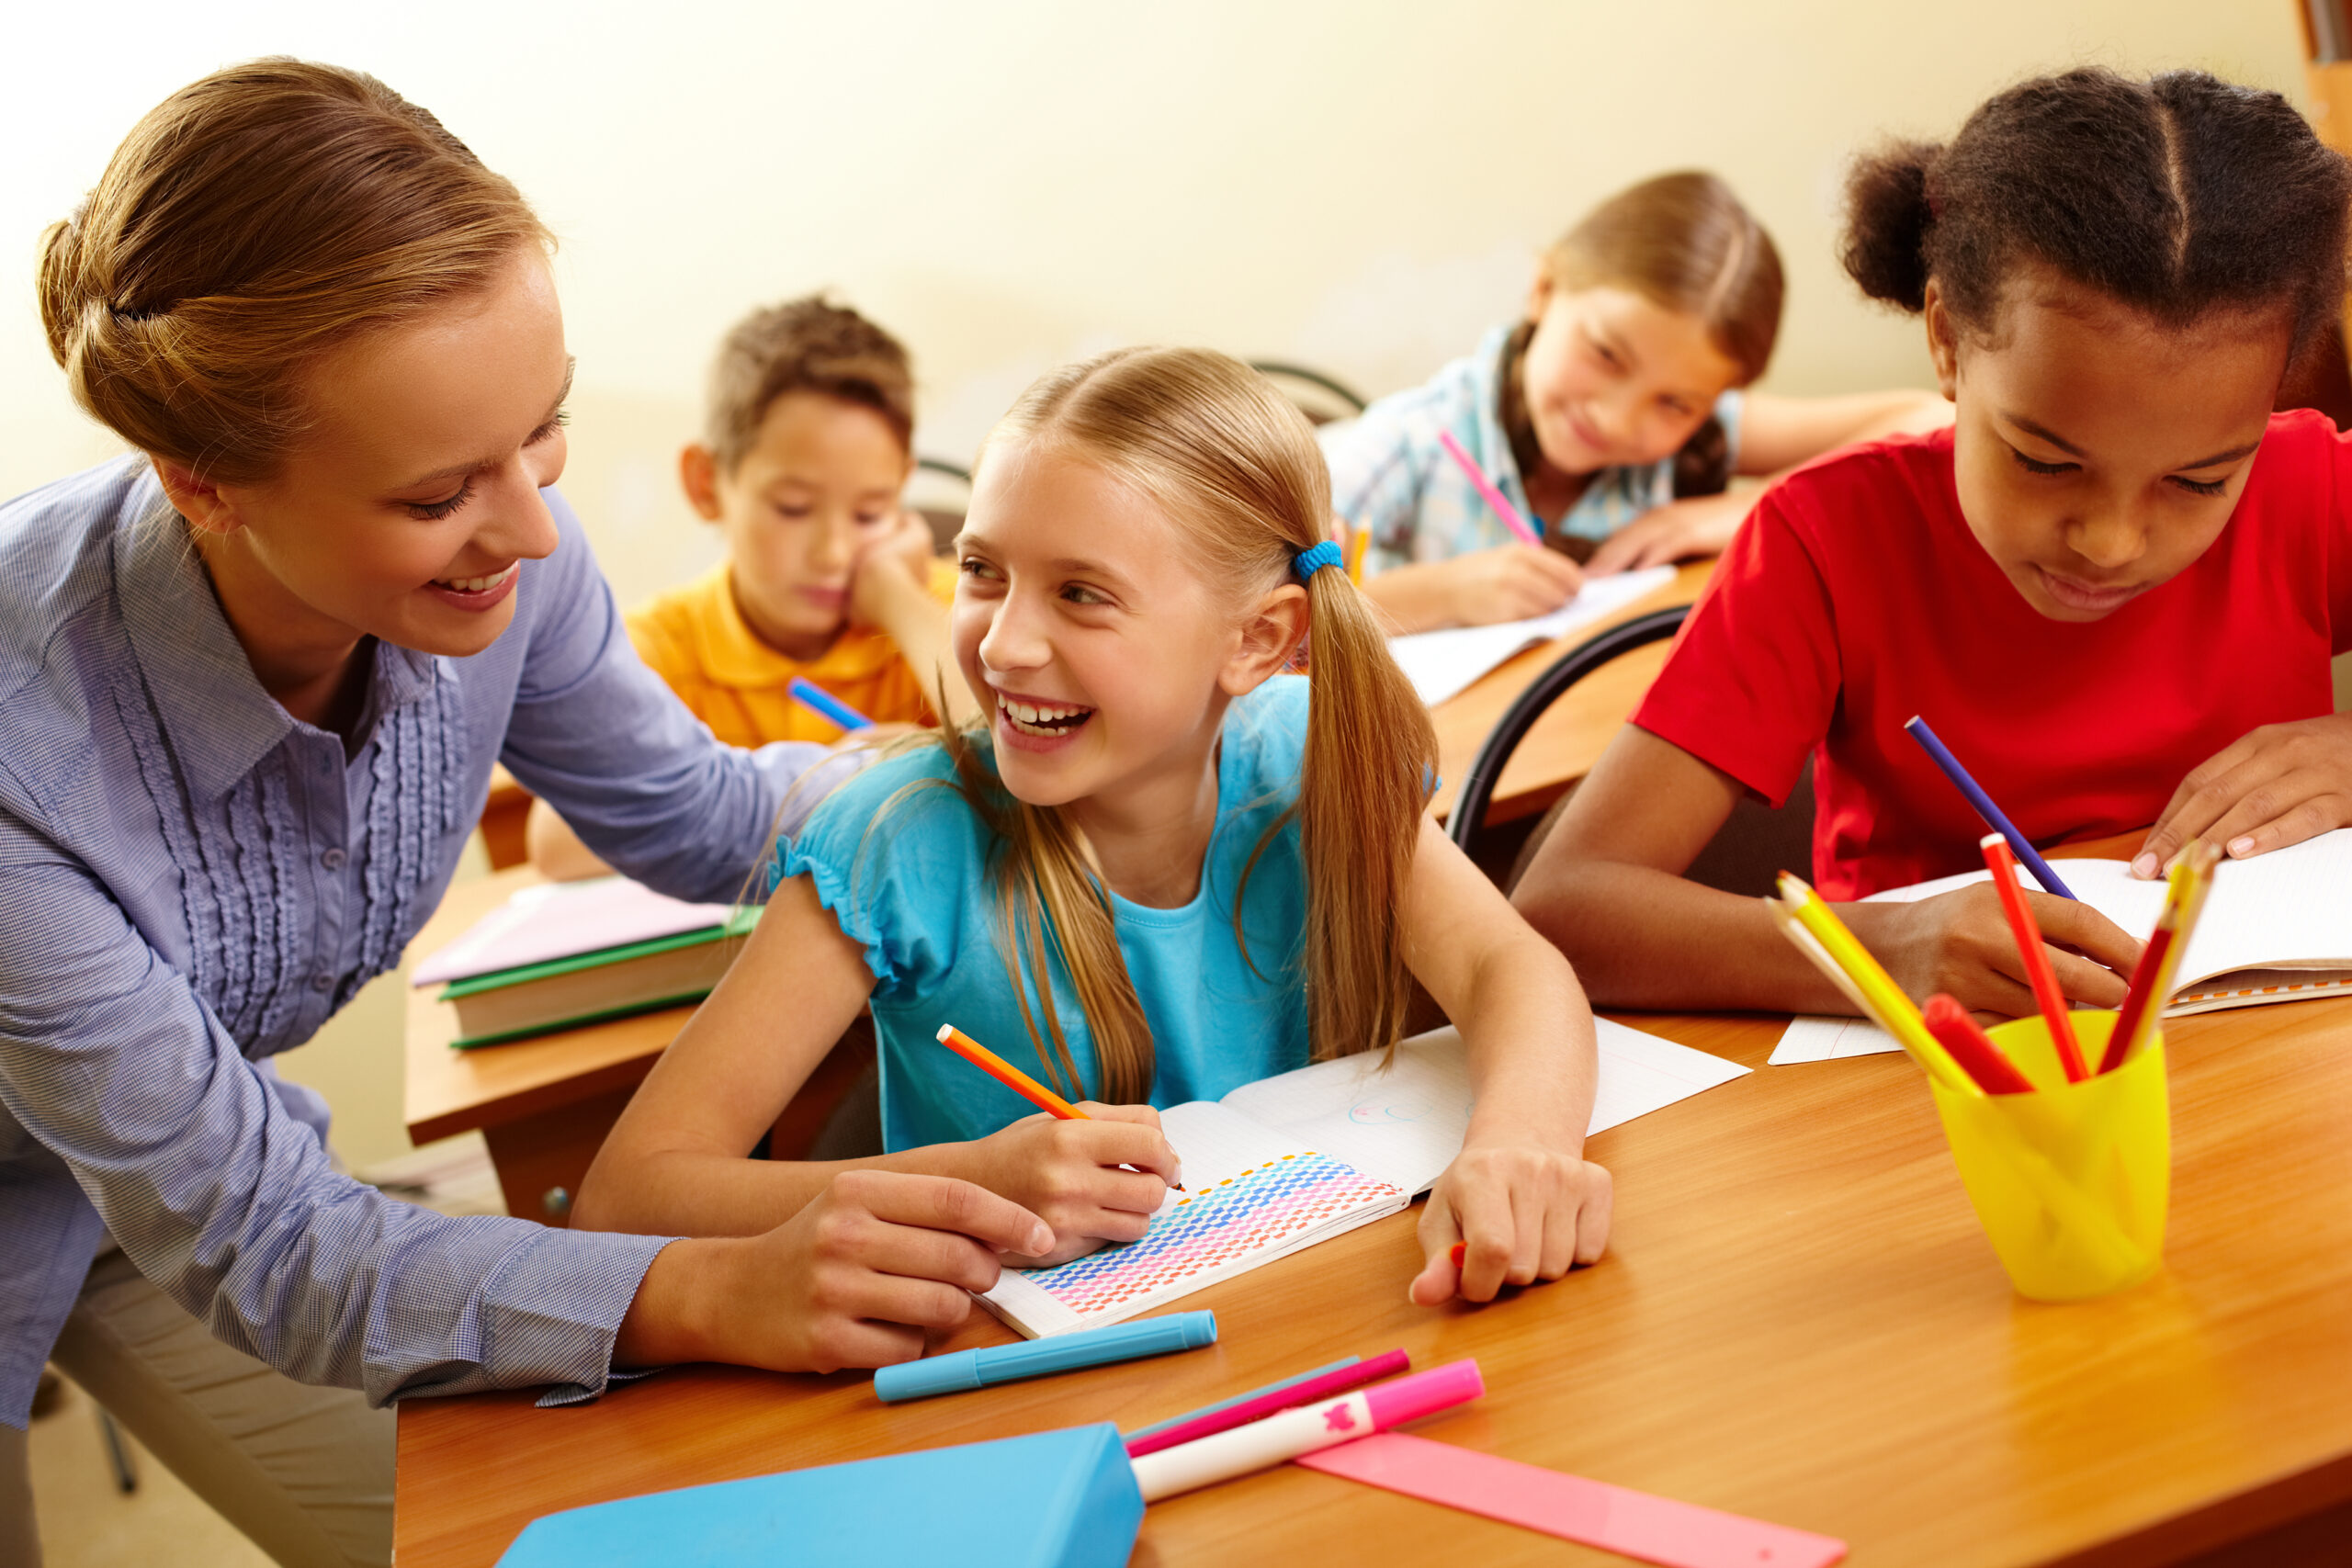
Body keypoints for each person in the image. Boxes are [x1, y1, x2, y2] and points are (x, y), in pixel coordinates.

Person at [0, 60, 1054, 1568]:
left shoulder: (509, 557)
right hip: (179, 1196)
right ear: (204, 482)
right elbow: (279, 1245)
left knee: (548, 1521)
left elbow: (699, 812)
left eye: (543, 431)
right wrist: (698, 1280)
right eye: (439, 497)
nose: (537, 527)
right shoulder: (25, 763)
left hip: (174, 1183)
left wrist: (988, 755)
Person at [572, 348, 1614, 1308]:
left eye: (1080, 594)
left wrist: (1519, 1148)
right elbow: (632, 1193)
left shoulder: (1311, 759)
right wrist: (971, 1179)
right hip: (1016, 1382)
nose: (1007, 643)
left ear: (1256, 640)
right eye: (982, 571)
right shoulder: (894, 837)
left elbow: (1505, 970)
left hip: (1320, 1300)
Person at [1510, 68, 2352, 1021]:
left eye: (2200, 481)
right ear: (1948, 340)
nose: (2111, 541)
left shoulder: (2309, 487)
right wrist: (1883, 951)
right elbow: (1561, 910)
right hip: (1937, 1092)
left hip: (2272, 1062)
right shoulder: (1825, 542)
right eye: (2044, 461)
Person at [1323, 171, 1951, 633]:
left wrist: (1721, 516)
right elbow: (1260, 602)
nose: (1619, 419)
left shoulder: (1702, 433)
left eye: (1675, 403)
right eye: (1606, 355)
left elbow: (1931, 422)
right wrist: (1444, 594)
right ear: (1543, 289)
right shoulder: (1418, 437)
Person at [526, 296, 966, 879]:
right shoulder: (664, 643)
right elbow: (554, 844)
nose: (833, 553)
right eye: (793, 508)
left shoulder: (946, 613)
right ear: (707, 484)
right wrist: (829, 779)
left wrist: (898, 598)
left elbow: (1020, 754)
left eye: (869, 513)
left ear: (903, 486)